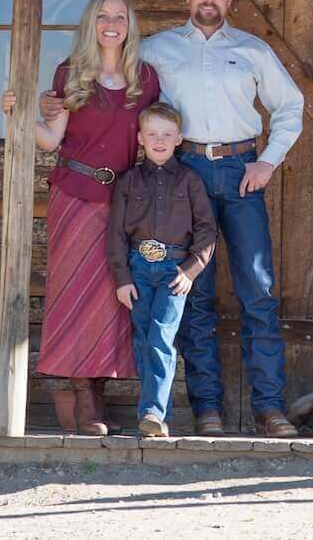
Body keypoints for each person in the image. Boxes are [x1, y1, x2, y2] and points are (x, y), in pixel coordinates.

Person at [139, 0, 305, 438]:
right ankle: (206, 408)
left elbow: (290, 104)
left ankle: (270, 408)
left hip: (240, 172)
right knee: (195, 293)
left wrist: (267, 160)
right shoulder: (155, 50)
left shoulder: (252, 50)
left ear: (230, 0)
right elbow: (119, 95)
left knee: (258, 289)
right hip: (183, 174)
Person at [0, 0, 159, 436]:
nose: (112, 24)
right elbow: (51, 140)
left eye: (121, 17)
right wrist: (17, 114)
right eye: (104, 16)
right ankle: (85, 398)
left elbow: (154, 138)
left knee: (114, 296)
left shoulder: (145, 78)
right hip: (74, 193)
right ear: (91, 24)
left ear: (131, 26)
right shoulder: (72, 72)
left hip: (125, 199)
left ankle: (104, 391)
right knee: (73, 293)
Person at [107, 102, 217, 438]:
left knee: (161, 338)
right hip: (139, 267)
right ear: (140, 138)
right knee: (143, 341)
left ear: (179, 138)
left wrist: (191, 270)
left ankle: (153, 413)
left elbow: (207, 230)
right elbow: (115, 233)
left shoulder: (190, 181)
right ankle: (155, 414)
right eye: (152, 134)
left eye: (167, 134)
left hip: (174, 270)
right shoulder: (128, 182)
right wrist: (122, 278)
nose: (159, 140)